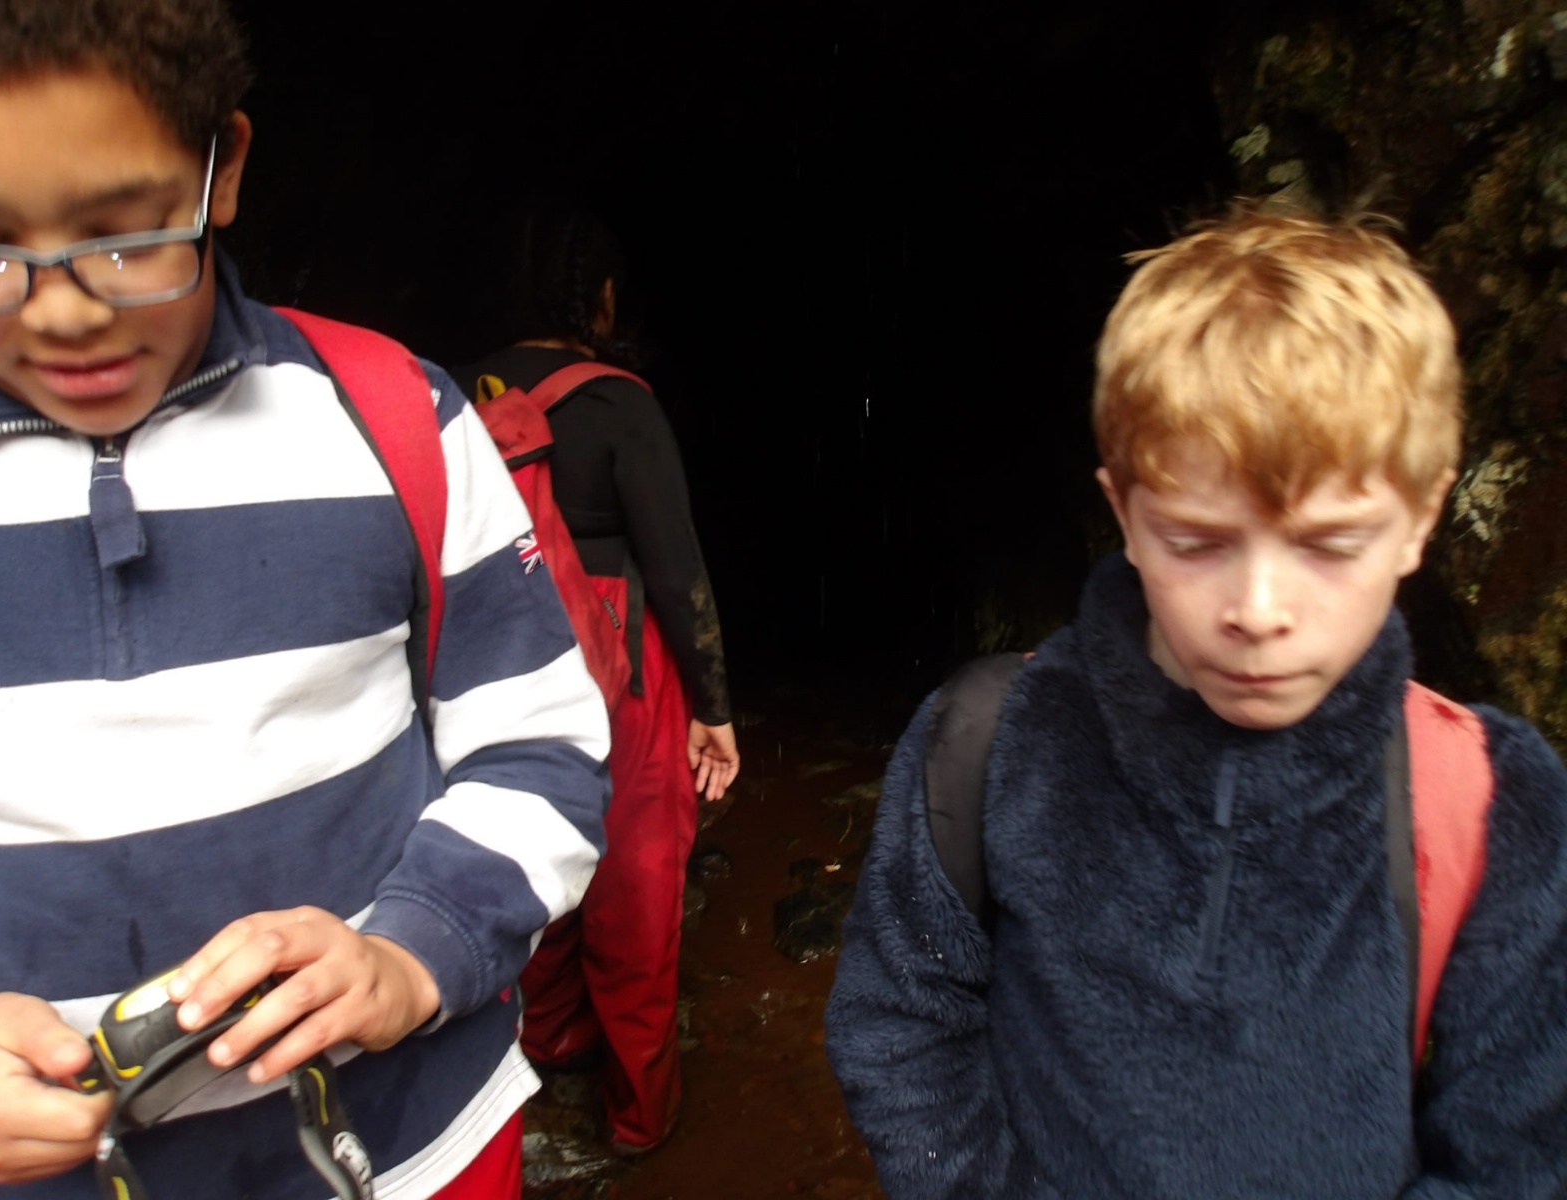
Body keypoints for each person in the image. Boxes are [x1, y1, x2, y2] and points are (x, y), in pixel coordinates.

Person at [0, 4, 610, 1198]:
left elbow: (539, 742)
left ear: (224, 168)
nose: (63, 309)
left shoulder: (395, 418)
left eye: (125, 233)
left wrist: (409, 957)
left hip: (409, 1148)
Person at [824, 209, 1567, 1197]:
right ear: (1124, 515)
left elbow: (1519, 1152)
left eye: (1329, 545)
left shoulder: (1490, 802)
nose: (1257, 611)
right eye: (1195, 541)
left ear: (1421, 517)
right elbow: (902, 1016)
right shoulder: (991, 744)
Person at [459, 207, 739, 1154]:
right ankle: (639, 1114)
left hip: (497, 663)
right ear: (603, 300)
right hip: (620, 671)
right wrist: (714, 707)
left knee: (524, 853)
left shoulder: (453, 397)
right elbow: (676, 568)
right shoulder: (621, 405)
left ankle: (550, 1044)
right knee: (636, 883)